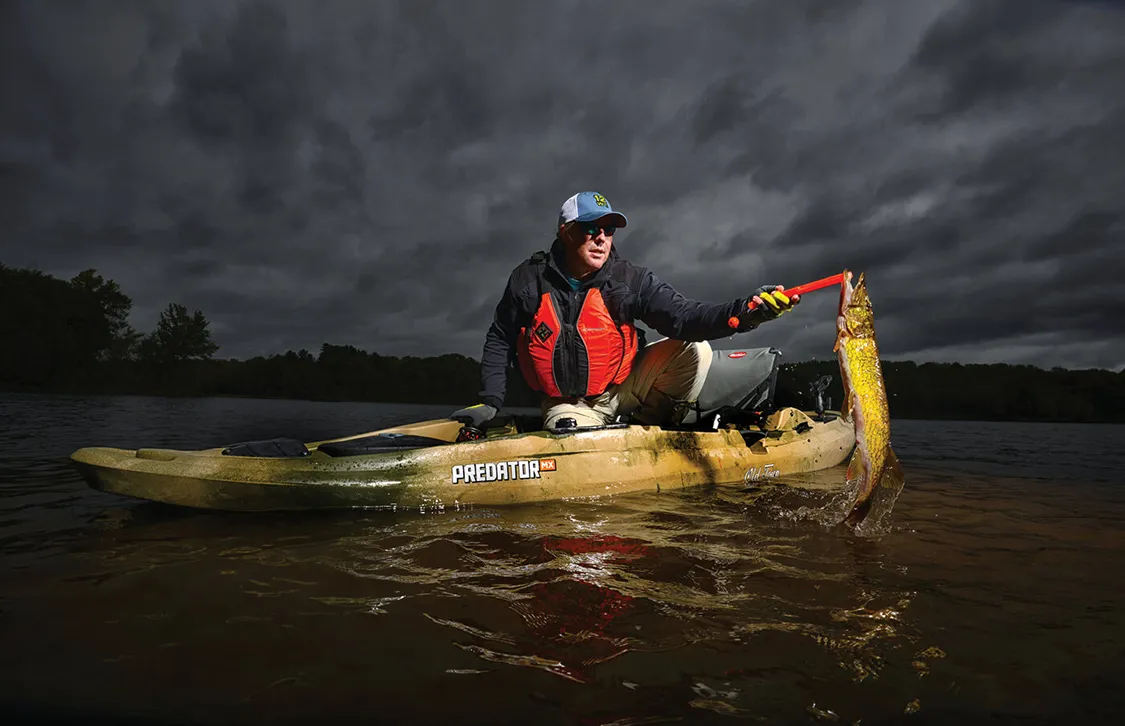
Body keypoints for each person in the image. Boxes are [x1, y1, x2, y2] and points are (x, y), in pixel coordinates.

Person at [452, 191, 799, 432]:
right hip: (573, 405)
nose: (601, 238)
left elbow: (685, 316)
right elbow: (500, 337)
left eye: (608, 230)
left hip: (623, 388)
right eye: (591, 229)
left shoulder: (629, 279)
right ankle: (590, 432)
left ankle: (646, 428)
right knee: (567, 434)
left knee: (694, 350)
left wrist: (748, 311)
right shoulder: (528, 280)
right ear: (566, 232)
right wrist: (490, 401)